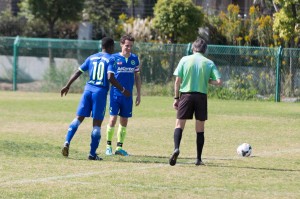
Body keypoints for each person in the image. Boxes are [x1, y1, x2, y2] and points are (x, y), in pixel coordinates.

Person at [61, 37, 130, 160]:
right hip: (100, 92)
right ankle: (92, 154)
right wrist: (123, 90)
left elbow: (78, 72)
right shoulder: (111, 59)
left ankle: (67, 141)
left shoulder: (91, 57)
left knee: (78, 118)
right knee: (97, 125)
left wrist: (67, 86)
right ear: (111, 47)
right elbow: (110, 77)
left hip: (87, 90)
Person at [169, 38, 222, 166]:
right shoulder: (209, 62)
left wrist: (176, 98)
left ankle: (176, 148)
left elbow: (177, 81)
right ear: (204, 50)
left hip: (186, 95)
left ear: (193, 48)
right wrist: (209, 81)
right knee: (200, 129)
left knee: (179, 125)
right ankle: (198, 159)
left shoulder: (184, 59)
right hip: (201, 97)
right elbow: (219, 82)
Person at [105, 34, 141, 156]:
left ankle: (119, 148)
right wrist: (120, 89)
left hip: (128, 96)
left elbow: (137, 77)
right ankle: (108, 146)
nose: (129, 48)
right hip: (115, 94)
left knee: (124, 120)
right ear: (121, 44)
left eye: (131, 46)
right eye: (126, 45)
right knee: (113, 119)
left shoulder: (134, 59)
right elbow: (110, 76)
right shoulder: (114, 58)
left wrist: (139, 94)